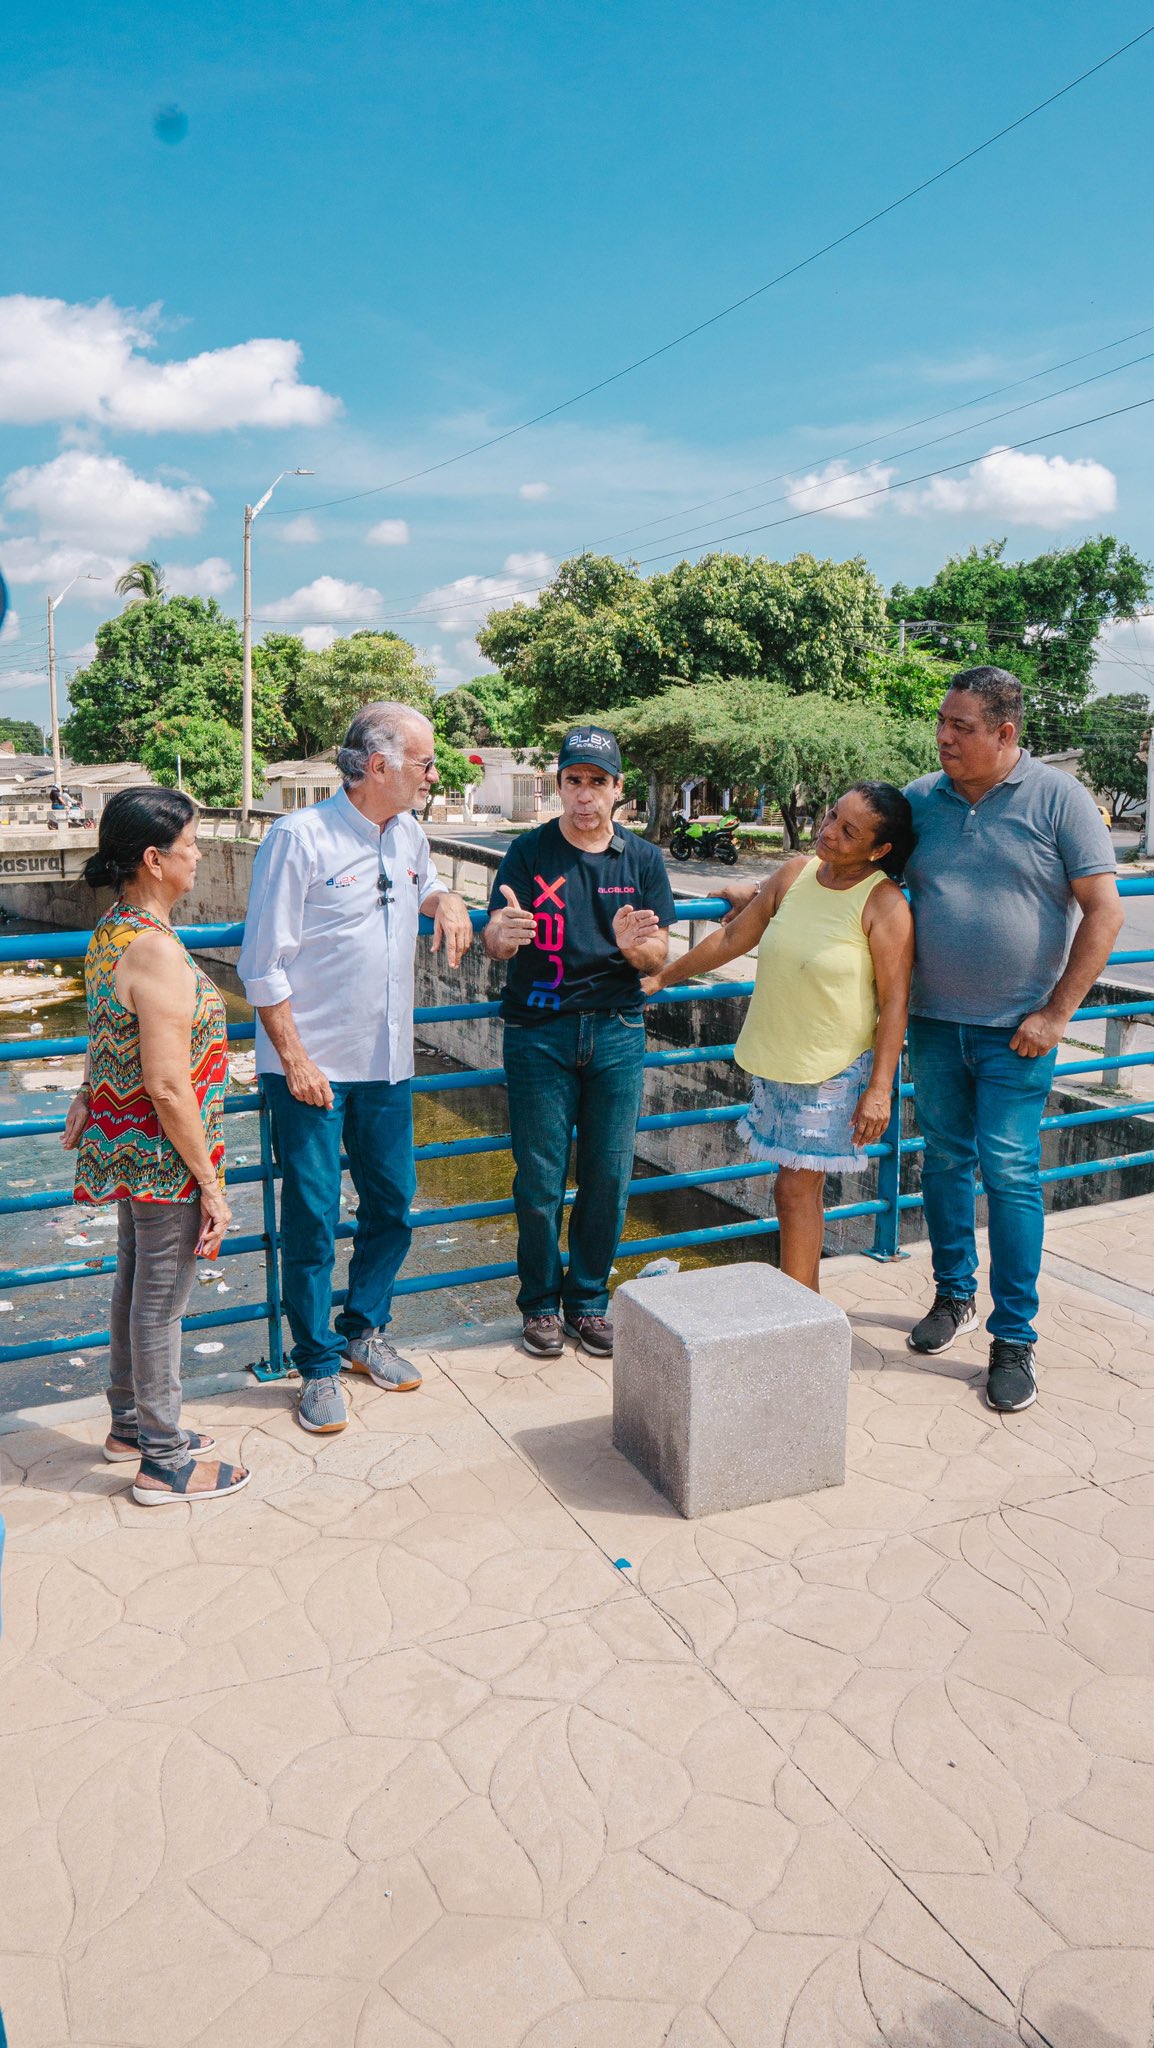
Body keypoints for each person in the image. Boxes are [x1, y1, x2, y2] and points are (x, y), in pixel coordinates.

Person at [238, 701, 472, 1435]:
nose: (436, 773)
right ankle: (315, 1364)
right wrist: (296, 1059)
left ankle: (364, 1329)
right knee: (311, 1219)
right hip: (308, 1072)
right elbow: (261, 965)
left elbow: (422, 881)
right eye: (426, 762)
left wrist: (448, 897)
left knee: (393, 1204)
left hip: (387, 1065)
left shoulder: (406, 831)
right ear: (379, 766)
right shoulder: (297, 838)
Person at [900, 667, 1122, 1411]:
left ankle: (1014, 1336)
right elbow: (848, 868)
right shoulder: (918, 800)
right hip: (932, 1025)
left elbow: (1104, 913)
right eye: (942, 722)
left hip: (1018, 1034)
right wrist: (759, 891)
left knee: (1011, 1173)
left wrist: (1058, 1013)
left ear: (1005, 733)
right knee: (942, 1164)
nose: (944, 737)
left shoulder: (1059, 799)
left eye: (962, 727)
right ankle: (953, 1295)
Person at [643, 784, 914, 1290]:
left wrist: (880, 1088)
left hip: (834, 1068)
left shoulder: (884, 904)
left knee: (794, 1188)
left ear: (879, 850)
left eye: (848, 831)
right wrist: (662, 978)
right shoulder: (796, 872)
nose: (829, 832)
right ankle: (807, 1307)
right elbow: (733, 936)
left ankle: (800, 1315)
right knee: (797, 1191)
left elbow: (896, 1002)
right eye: (832, 815)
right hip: (780, 1057)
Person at [62, 788, 247, 1506]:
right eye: (191, 845)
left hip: (124, 1140)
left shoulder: (111, 931)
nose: (198, 856)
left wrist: (86, 1088)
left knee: (136, 1285)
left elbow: (109, 1029)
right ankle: (164, 1463)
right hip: (163, 1149)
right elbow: (169, 1086)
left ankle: (131, 1425)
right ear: (153, 858)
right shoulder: (155, 950)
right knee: (161, 1302)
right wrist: (211, 1184)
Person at [483, 725, 677, 1358]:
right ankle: (539, 1303)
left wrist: (633, 947)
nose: (585, 795)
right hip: (539, 1032)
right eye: (574, 781)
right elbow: (494, 938)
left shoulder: (642, 860)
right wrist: (504, 936)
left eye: (598, 782)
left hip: (618, 1031)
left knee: (609, 1174)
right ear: (559, 785)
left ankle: (588, 1301)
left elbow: (657, 956)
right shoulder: (529, 853)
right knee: (538, 1179)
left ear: (618, 789)